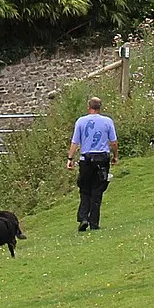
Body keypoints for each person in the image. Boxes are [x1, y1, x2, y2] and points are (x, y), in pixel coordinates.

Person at [66, 96, 118, 232]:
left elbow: (75, 142)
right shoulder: (107, 121)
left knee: (84, 189)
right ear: (100, 107)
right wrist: (115, 156)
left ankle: (83, 217)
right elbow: (113, 142)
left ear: (89, 107)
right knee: (97, 190)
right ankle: (94, 222)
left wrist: (70, 158)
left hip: (86, 160)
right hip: (102, 159)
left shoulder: (81, 121)